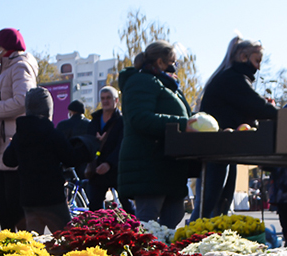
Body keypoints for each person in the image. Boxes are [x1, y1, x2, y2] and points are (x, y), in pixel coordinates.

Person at [189, 35, 278, 221]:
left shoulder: (229, 77)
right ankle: (195, 234)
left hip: (222, 149)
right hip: (217, 149)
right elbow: (256, 106)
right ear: (244, 57)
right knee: (210, 204)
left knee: (218, 203)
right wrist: (282, 115)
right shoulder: (233, 79)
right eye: (257, 61)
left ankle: (205, 233)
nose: (258, 67)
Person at [117, 40, 196, 229]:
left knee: (174, 217)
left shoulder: (166, 84)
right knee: (148, 221)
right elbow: (140, 118)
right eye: (173, 62)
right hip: (149, 165)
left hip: (168, 166)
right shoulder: (141, 81)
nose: (175, 67)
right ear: (160, 62)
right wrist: (183, 124)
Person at [3, 87, 87, 234]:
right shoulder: (53, 134)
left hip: (29, 199)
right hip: (52, 198)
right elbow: (71, 158)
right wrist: (87, 146)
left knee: (34, 241)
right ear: (48, 110)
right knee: (67, 238)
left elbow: (8, 160)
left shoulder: (19, 136)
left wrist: (13, 146)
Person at [0, 27, 38, 231]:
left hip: (14, 149)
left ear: (5, 46)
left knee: (14, 208)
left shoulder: (20, 67)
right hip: (2, 151)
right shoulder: (6, 70)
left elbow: (24, 100)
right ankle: (9, 247)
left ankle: (22, 248)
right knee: (4, 207)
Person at [85, 86, 134, 214]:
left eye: (108, 98)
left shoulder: (122, 121)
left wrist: (109, 163)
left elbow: (123, 145)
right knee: (95, 209)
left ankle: (136, 226)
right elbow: (87, 142)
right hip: (97, 170)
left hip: (118, 170)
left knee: (128, 206)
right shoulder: (94, 121)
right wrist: (96, 141)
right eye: (103, 98)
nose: (105, 101)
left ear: (116, 100)